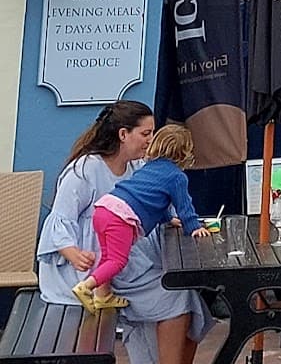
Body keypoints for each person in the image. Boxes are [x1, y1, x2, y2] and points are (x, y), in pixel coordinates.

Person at [36, 101, 215, 364]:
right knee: (177, 297)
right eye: (146, 133)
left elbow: (156, 205)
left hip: (129, 263)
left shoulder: (137, 167)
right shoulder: (85, 170)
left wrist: (173, 220)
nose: (151, 140)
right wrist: (71, 252)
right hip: (92, 269)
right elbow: (60, 220)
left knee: (187, 297)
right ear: (123, 134)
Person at [74, 124, 214, 310]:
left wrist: (168, 219)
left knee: (108, 256)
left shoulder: (149, 167)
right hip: (120, 217)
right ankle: (86, 287)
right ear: (184, 153)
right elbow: (184, 206)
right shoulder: (177, 176)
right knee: (117, 261)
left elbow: (157, 202)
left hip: (104, 208)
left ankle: (102, 296)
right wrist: (194, 227)